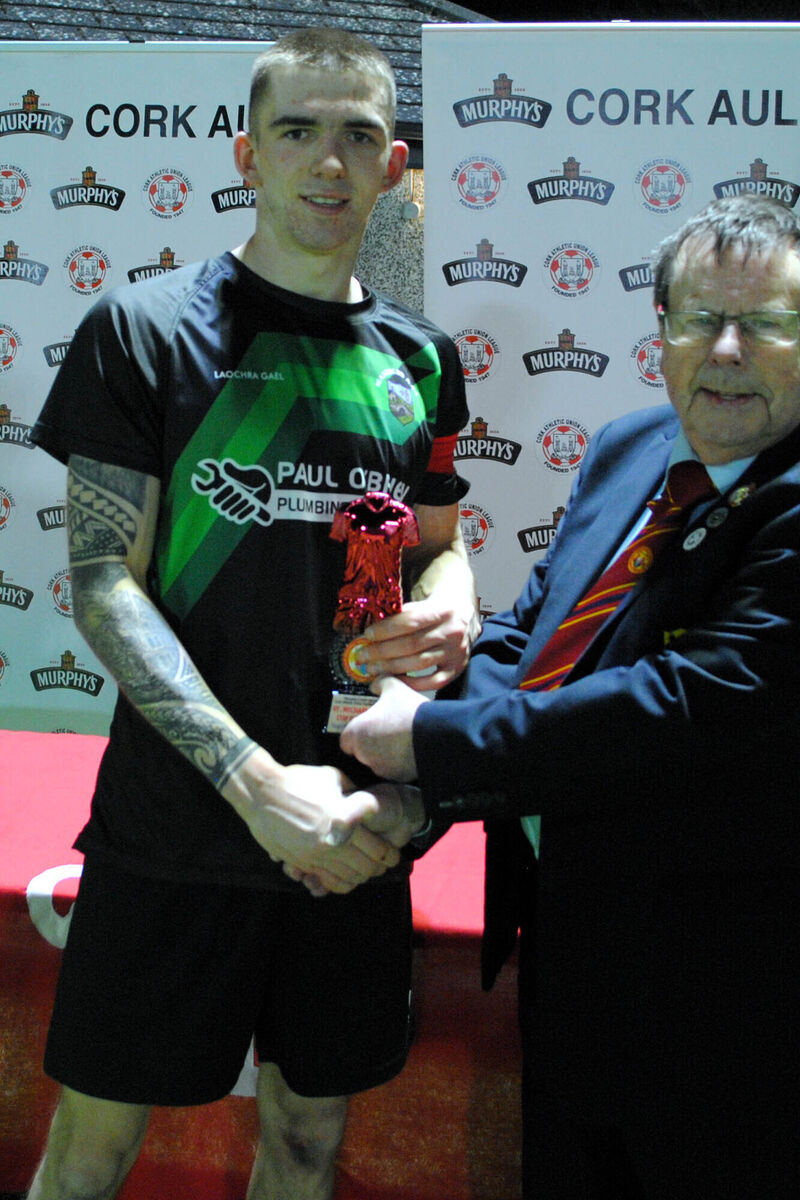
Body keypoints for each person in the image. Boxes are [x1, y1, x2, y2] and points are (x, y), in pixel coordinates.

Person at [338, 195, 800, 1199]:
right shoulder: (631, 446)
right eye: (700, 318)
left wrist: (430, 744)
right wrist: (421, 784)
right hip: (581, 975)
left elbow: (678, 710)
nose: (728, 351)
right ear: (661, 331)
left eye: (766, 323)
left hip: (740, 1020)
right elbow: (533, 643)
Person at [28, 28, 477, 1200]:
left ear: (393, 163)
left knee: (306, 1142)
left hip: (358, 830)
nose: (329, 162)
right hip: (177, 826)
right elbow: (98, 579)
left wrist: (456, 603)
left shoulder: (422, 358)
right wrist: (254, 785)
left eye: (358, 136)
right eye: (298, 131)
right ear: (246, 154)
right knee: (91, 1151)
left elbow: (436, 540)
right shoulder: (145, 329)